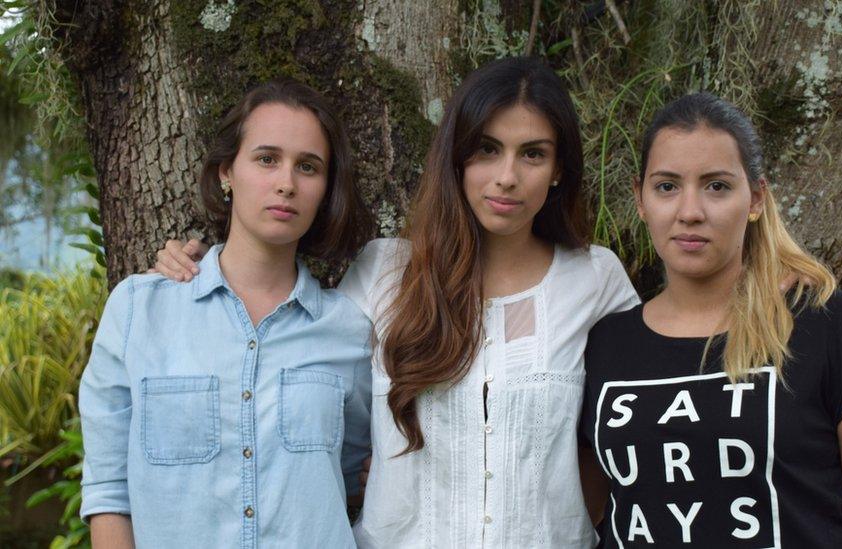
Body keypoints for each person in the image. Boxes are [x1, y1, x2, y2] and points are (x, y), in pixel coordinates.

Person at [153, 57, 640, 547]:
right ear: (457, 158)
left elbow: (633, 426)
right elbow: (281, 365)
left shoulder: (594, 280)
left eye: (533, 154)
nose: (507, 177)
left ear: (559, 169)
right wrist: (207, 271)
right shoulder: (385, 273)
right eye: (487, 150)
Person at [578, 92, 842, 548]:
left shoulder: (833, 333)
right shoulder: (605, 345)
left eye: (717, 186)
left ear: (756, 198)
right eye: (666, 186)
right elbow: (592, 509)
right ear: (641, 200)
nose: (690, 212)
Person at [80, 79, 374, 548]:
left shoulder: (350, 332)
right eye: (266, 158)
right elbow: (109, 492)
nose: (286, 183)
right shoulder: (140, 310)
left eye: (308, 167)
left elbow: (356, 474)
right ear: (225, 173)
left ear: (325, 189)